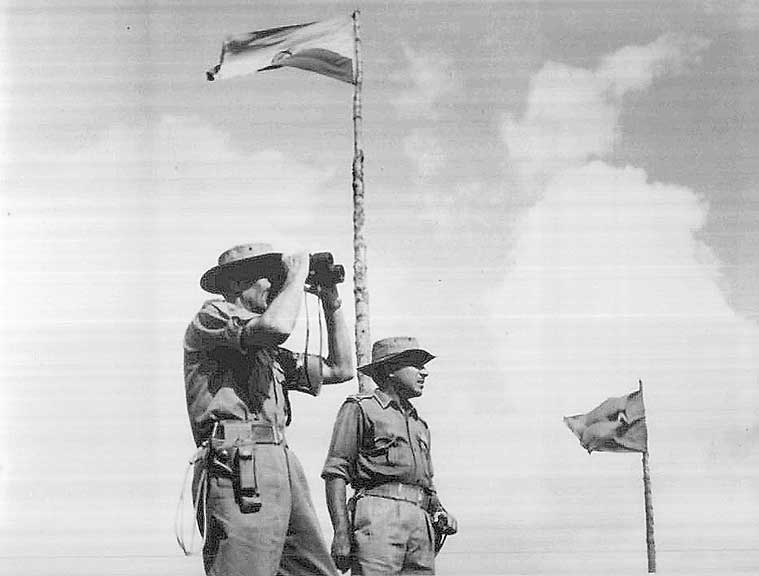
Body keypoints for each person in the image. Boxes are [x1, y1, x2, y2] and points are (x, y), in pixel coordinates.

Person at [184, 242, 354, 576]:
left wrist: (330, 301)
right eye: (266, 277)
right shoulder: (213, 316)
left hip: (281, 462)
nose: (273, 285)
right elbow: (275, 328)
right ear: (234, 284)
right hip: (238, 463)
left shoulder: (267, 351)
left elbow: (342, 368)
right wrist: (297, 275)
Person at [322, 337, 457, 575]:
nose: (424, 373)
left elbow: (427, 483)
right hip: (378, 515)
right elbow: (336, 472)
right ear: (390, 370)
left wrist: (439, 510)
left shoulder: (419, 424)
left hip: (420, 523)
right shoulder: (361, 407)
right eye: (415, 364)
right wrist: (341, 533)